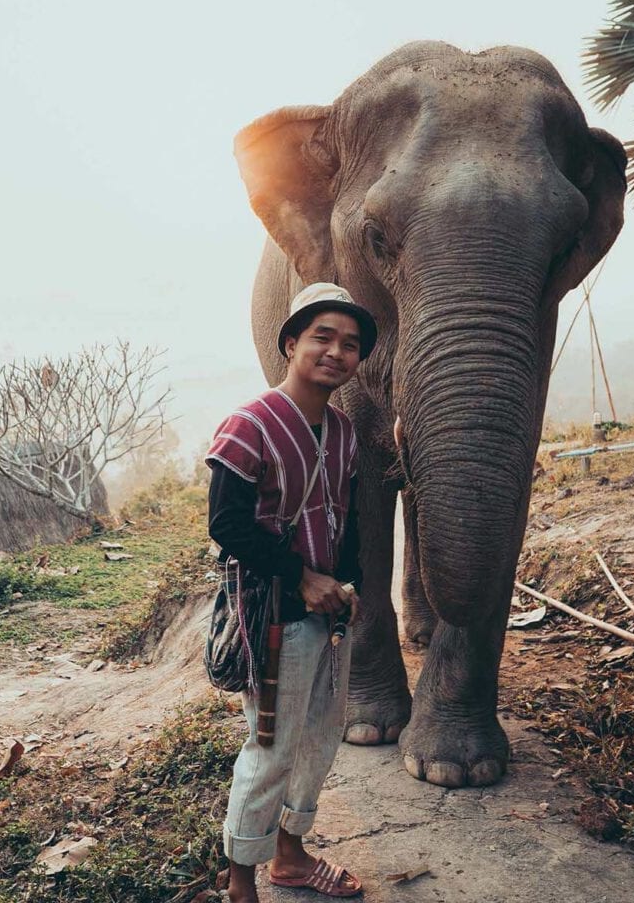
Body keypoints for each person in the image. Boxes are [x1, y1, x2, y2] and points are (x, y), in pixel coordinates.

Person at [205, 282, 377, 901]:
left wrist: (348, 584)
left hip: (330, 610)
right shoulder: (249, 424)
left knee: (323, 733)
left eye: (350, 344)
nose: (336, 352)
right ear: (290, 344)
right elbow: (225, 525)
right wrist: (300, 576)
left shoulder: (343, 431)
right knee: (272, 744)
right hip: (275, 610)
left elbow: (348, 516)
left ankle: (292, 854)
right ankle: (241, 879)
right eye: (322, 337)